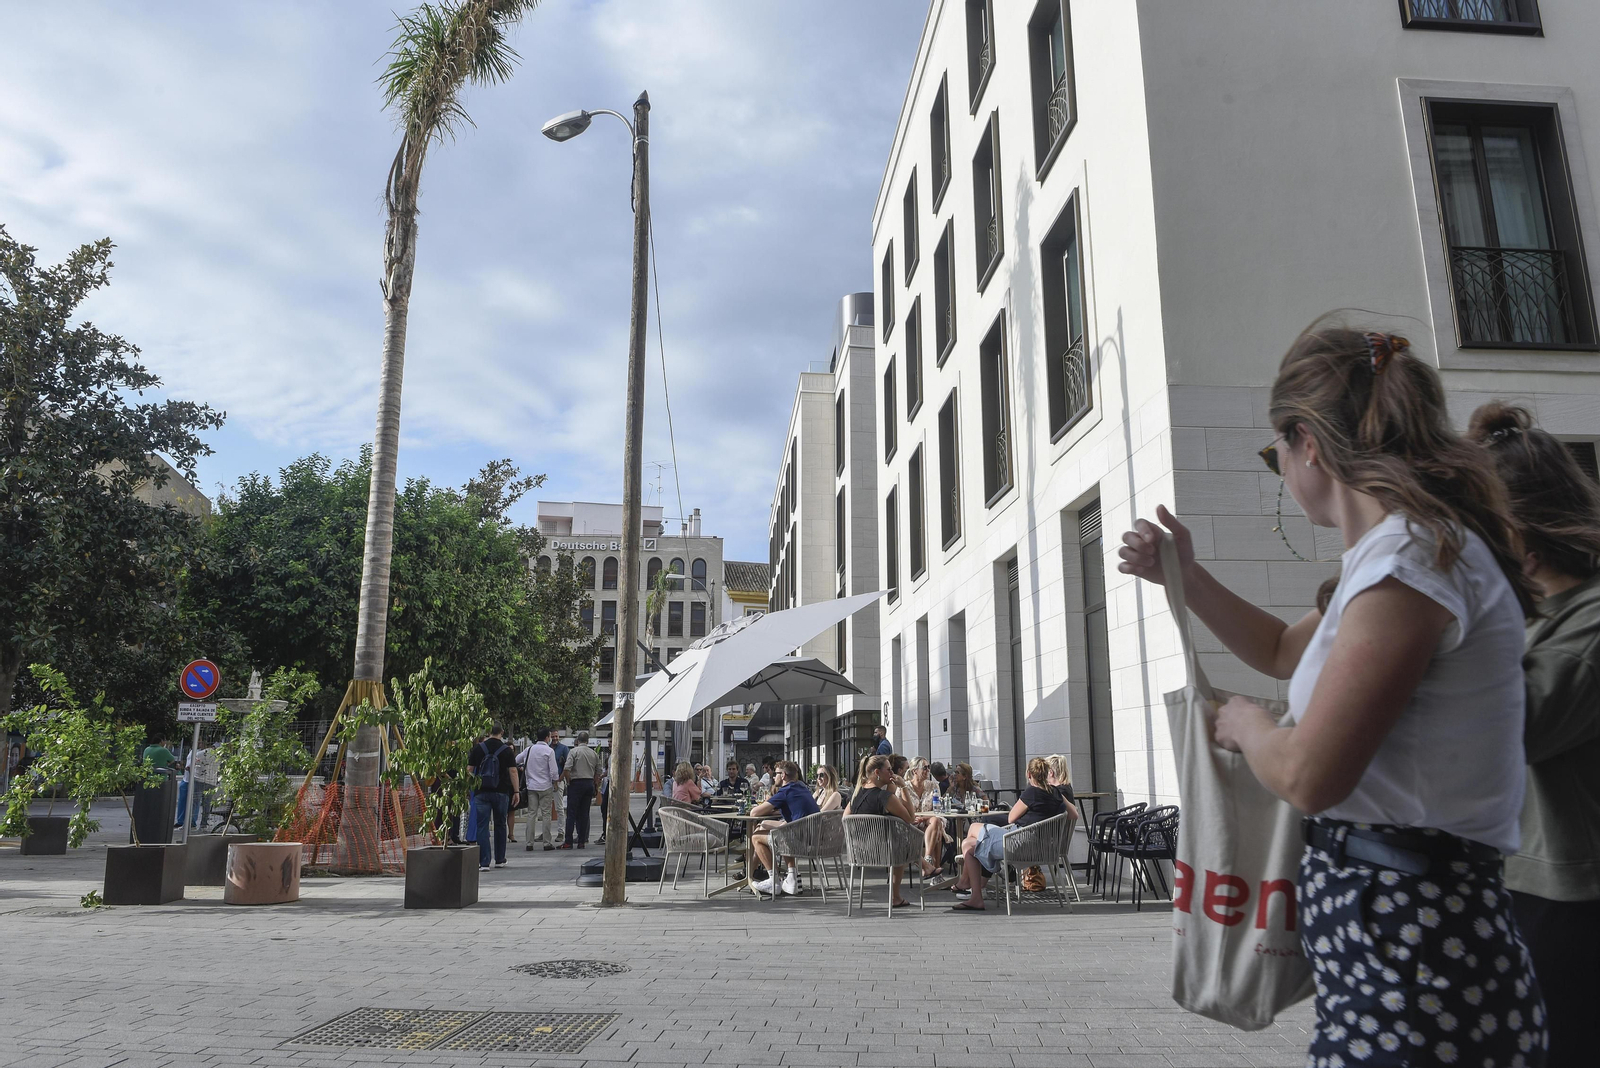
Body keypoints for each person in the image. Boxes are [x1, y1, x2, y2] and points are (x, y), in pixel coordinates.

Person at [1117, 324, 1545, 1063]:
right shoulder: (1395, 556)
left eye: (1274, 453)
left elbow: (1312, 776)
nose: (1281, 471)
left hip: (1411, 941)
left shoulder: (1409, 560)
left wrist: (1249, 727)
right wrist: (1183, 575)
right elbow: (1285, 651)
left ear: (1308, 442)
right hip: (1406, 931)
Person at [1469, 401, 1600, 1068]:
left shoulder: (1589, 621)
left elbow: (1511, 730)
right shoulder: (1529, 613)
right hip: (1516, 884)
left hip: (1572, 901)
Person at [951, 757, 1066, 911]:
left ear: (1029, 774)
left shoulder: (1032, 792)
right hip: (1043, 847)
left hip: (1018, 844)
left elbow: (1012, 817)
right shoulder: (1057, 793)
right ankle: (971, 889)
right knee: (970, 843)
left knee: (970, 837)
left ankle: (972, 892)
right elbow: (1071, 814)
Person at [845, 754, 917, 907]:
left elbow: (845, 818)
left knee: (898, 842)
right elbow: (911, 818)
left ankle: (927, 867)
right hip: (886, 853)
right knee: (902, 844)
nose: (893, 774)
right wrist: (903, 787)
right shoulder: (885, 798)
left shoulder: (857, 794)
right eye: (889, 770)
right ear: (877, 773)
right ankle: (895, 897)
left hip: (859, 851)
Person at [749, 760, 821, 896]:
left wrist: (767, 803)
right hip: (813, 839)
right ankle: (791, 878)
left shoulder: (785, 791)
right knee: (780, 830)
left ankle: (773, 880)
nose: (773, 777)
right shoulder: (802, 788)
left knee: (756, 837)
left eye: (775, 774)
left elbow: (754, 813)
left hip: (799, 842)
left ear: (783, 775)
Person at [468, 724, 520, 872]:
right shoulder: (506, 750)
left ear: (489, 732)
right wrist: (516, 791)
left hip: (481, 792)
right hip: (501, 791)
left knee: (482, 826)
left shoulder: (478, 749)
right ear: (502, 733)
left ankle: (484, 862)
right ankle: (499, 859)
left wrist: (472, 786)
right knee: (500, 824)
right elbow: (513, 772)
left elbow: (469, 770)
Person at [518, 728, 561, 851]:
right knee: (546, 814)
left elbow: (516, 760)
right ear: (547, 737)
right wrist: (555, 781)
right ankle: (546, 842)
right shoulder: (549, 751)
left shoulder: (529, 749)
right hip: (545, 786)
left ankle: (529, 843)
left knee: (532, 814)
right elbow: (553, 771)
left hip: (531, 786)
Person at [905, 760, 949, 878]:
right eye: (925, 767)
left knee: (936, 822)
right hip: (911, 825)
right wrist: (913, 818)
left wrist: (923, 818)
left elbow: (937, 810)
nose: (928, 770)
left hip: (929, 821)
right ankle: (936, 876)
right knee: (937, 830)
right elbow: (900, 810)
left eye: (928, 767)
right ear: (915, 771)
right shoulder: (904, 787)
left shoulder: (934, 786)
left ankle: (928, 859)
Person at [560, 731, 602, 849]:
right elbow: (598, 771)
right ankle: (582, 841)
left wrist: (568, 781)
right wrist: (595, 784)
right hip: (588, 783)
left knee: (571, 813)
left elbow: (567, 768)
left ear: (577, 741)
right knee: (584, 813)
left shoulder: (573, 751)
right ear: (587, 741)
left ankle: (568, 841)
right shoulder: (593, 753)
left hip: (576, 783)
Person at [551, 734, 571, 842]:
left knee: (559, 808)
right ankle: (546, 832)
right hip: (546, 782)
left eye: (556, 736)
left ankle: (560, 832)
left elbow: (567, 765)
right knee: (546, 810)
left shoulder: (564, 748)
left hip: (559, 781)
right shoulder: (548, 748)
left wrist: (560, 779)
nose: (554, 738)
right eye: (553, 736)